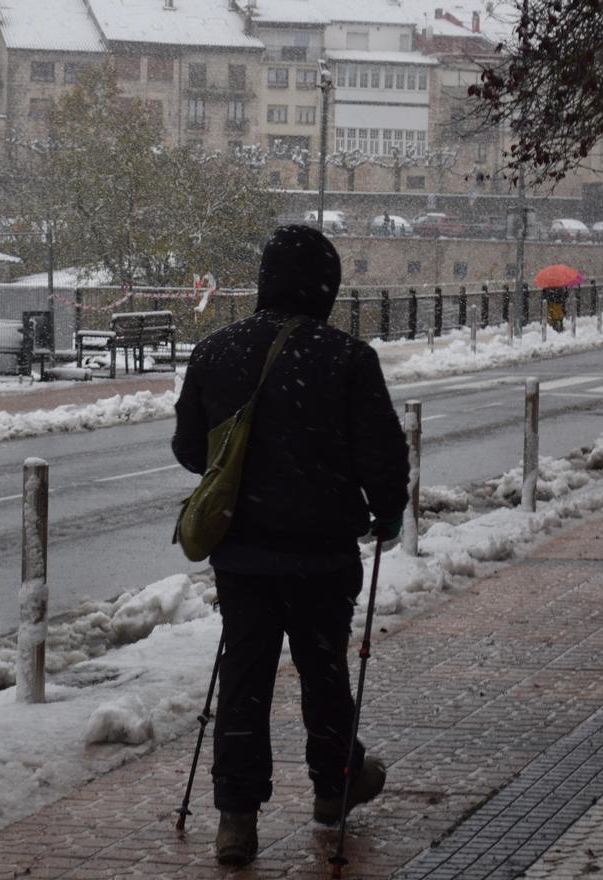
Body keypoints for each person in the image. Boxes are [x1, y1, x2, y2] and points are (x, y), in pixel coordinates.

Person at [172, 225, 410, 866]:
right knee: (324, 670)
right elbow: (381, 456)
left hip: (243, 555)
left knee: (244, 676)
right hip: (321, 552)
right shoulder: (346, 358)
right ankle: (335, 788)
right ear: (324, 287)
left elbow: (191, 450)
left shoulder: (215, 352)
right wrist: (385, 514)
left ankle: (236, 819)